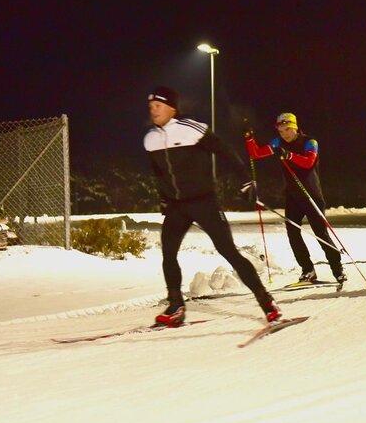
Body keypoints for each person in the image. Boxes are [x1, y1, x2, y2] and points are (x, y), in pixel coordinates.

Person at [143, 86, 281, 326]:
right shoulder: (150, 139)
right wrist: (164, 198)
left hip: (203, 201)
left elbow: (225, 151)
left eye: (158, 106)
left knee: (228, 251)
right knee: (168, 253)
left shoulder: (192, 129)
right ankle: (176, 306)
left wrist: (246, 180)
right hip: (177, 206)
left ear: (172, 108)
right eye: (151, 107)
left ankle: (266, 302)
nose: (153, 110)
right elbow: (159, 172)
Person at [245, 112, 346, 284]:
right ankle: (308, 270)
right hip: (293, 196)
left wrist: (289, 155)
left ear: (295, 127)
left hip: (311, 194)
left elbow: (308, 162)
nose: (285, 134)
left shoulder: (310, 142)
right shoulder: (278, 143)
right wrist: (249, 139)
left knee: (320, 233)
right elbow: (256, 154)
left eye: (288, 129)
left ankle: (337, 269)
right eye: (281, 131)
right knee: (293, 233)